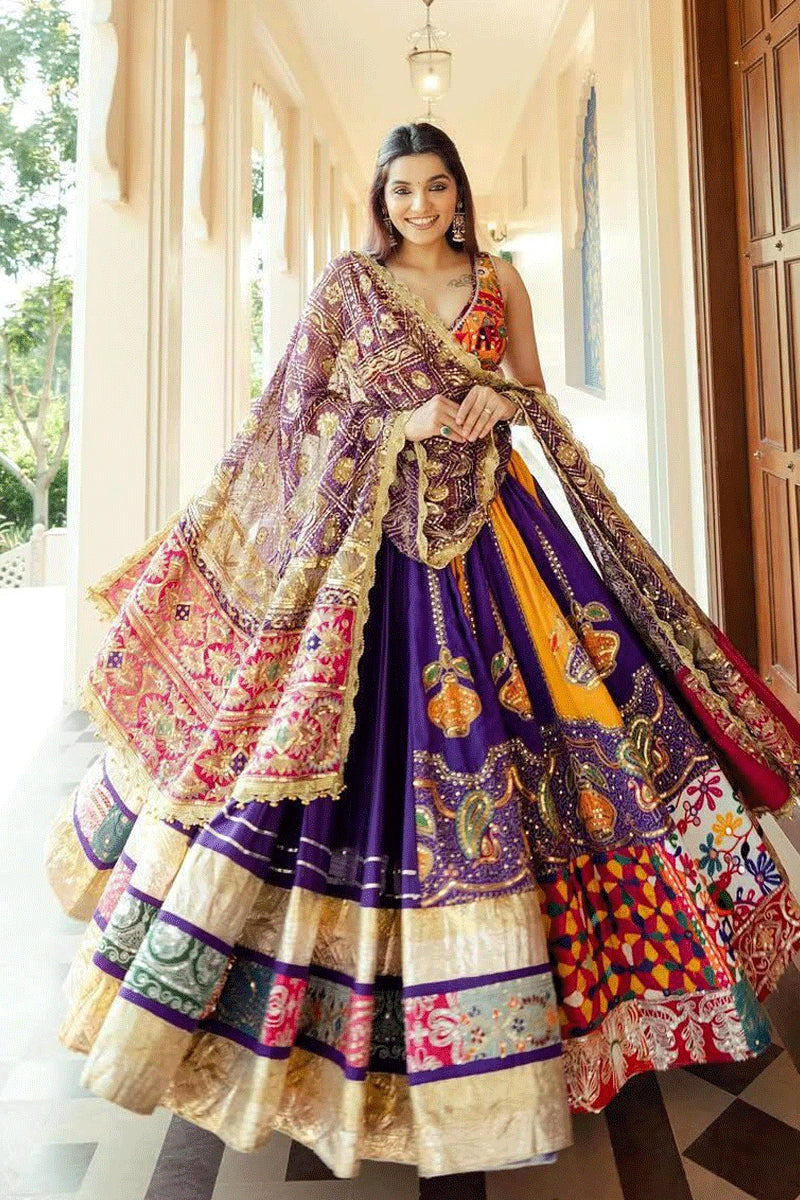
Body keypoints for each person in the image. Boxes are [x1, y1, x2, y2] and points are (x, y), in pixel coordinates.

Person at [45, 121, 800, 1181]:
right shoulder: (350, 286)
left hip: (499, 533)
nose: (419, 206)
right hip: (371, 551)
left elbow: (533, 392)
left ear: (459, 193)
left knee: (569, 734)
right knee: (356, 757)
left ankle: (594, 1005)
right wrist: (395, 424)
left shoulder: (498, 281)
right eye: (401, 190)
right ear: (380, 198)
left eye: (435, 187)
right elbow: (296, 408)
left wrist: (499, 397)